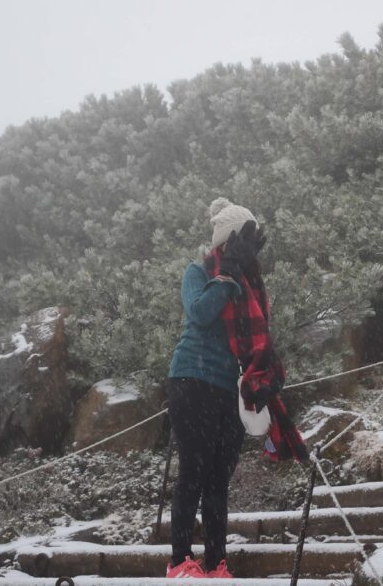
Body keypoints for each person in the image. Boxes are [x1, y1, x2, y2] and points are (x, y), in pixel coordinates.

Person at [165, 197, 306, 579]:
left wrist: (267, 375)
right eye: (239, 241)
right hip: (191, 381)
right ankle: (179, 562)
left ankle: (215, 563)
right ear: (226, 240)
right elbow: (200, 312)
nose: (243, 251)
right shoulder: (198, 272)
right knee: (192, 473)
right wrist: (225, 276)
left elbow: (259, 340)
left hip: (229, 390)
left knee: (217, 480)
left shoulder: (250, 285)